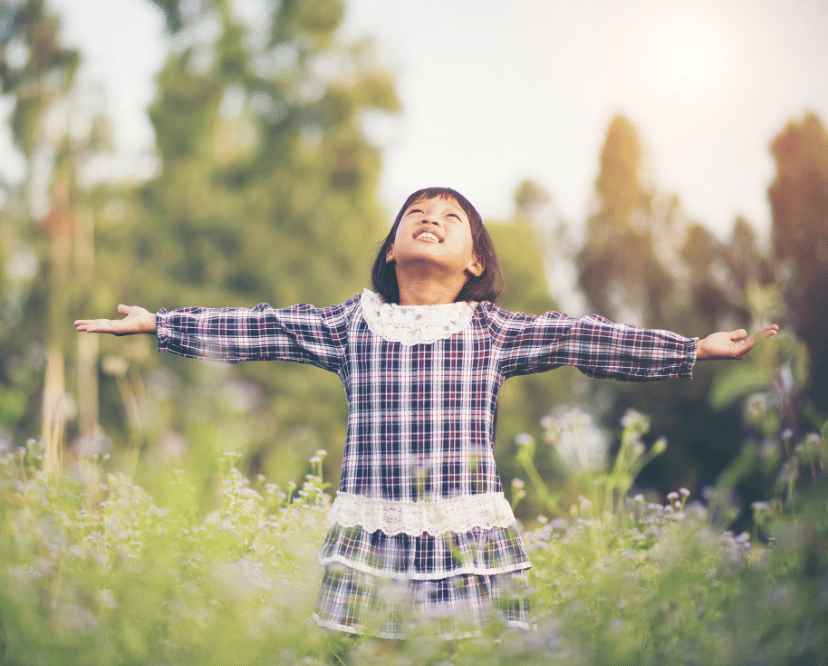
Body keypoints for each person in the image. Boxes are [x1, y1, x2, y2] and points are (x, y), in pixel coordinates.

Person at [75, 186, 777, 640]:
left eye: (450, 218)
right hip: (371, 538)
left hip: (463, 544)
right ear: (391, 250)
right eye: (416, 214)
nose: (430, 220)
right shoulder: (352, 323)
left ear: (475, 263)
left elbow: (582, 337)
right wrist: (159, 323)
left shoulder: (490, 330)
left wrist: (692, 348)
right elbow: (263, 327)